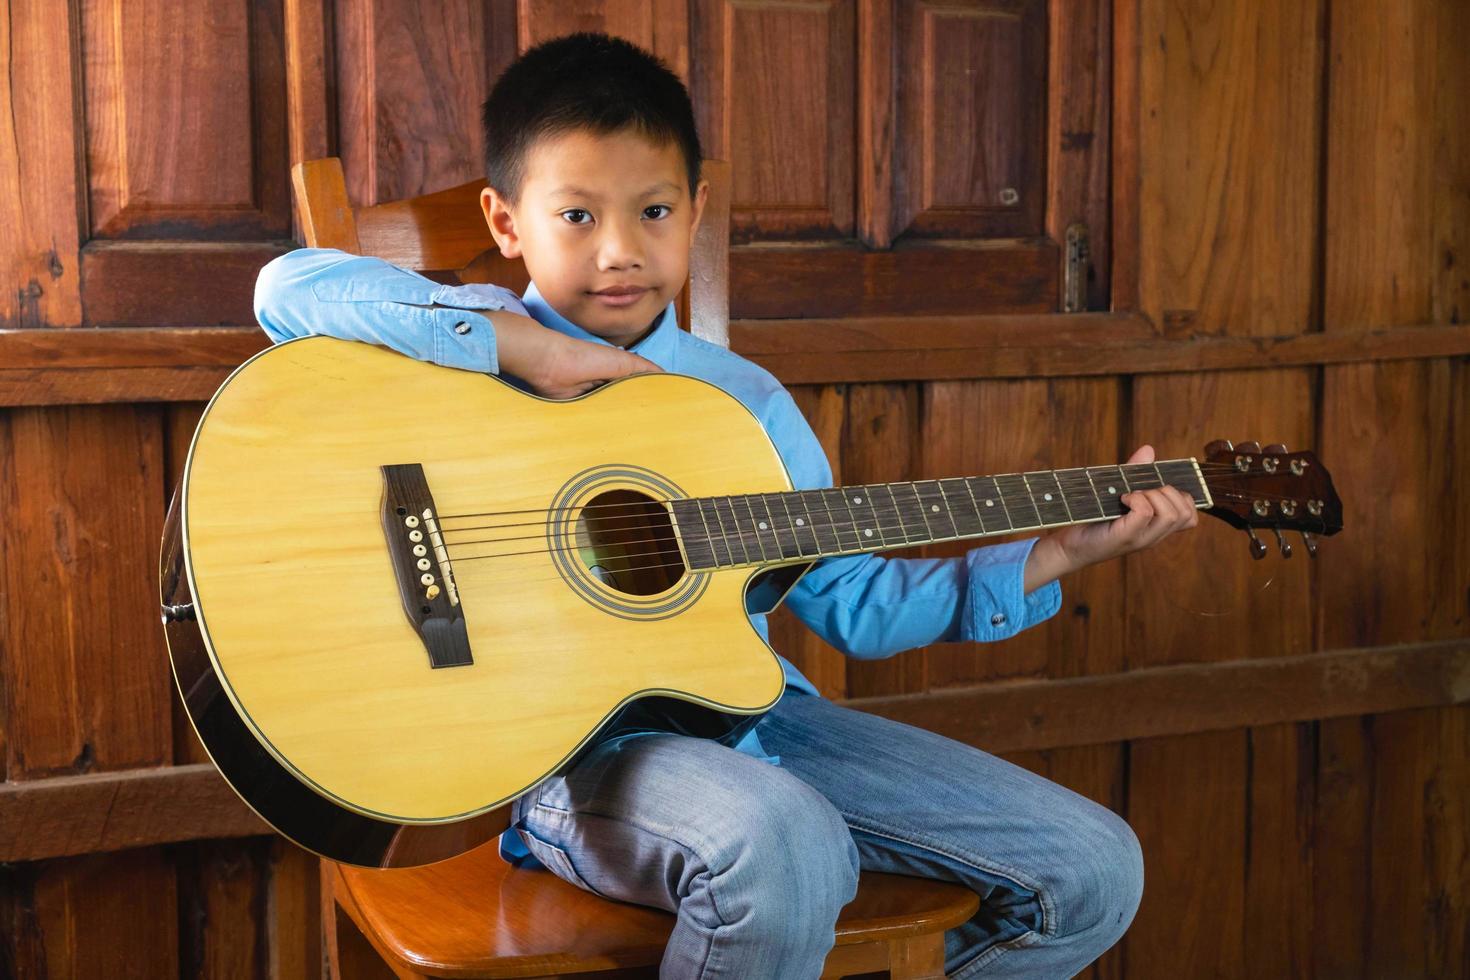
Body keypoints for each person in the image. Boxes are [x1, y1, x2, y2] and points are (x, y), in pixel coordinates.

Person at [254, 31, 1197, 980]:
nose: (619, 252)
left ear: (695, 211)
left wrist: (1059, 556)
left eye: (654, 211)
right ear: (507, 222)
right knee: (786, 848)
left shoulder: (744, 405)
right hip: (558, 755)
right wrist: (517, 346)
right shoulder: (455, 355)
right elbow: (286, 286)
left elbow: (854, 604)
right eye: (577, 216)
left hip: (758, 724)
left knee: (1093, 870)